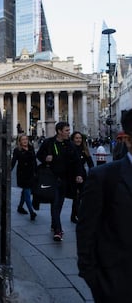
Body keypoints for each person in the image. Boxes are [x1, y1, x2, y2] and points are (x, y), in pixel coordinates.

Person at [77, 108, 132, 302]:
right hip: (118, 285)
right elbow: (86, 228)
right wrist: (95, 280)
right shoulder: (104, 177)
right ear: (127, 140)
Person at [36, 122, 83, 241]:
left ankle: (54, 223)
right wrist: (45, 158)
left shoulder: (70, 145)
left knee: (58, 204)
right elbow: (39, 155)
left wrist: (78, 174)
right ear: (59, 131)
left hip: (65, 179)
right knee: (55, 204)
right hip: (51, 179)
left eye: (68, 130)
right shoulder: (48, 142)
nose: (69, 132)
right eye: (66, 130)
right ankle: (58, 230)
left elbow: (77, 161)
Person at [68, 131, 94, 223]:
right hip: (72, 175)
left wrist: (93, 172)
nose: (78, 140)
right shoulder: (70, 149)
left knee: (82, 196)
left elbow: (90, 162)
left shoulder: (84, 149)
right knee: (76, 196)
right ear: (73, 139)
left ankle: (76, 214)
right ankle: (75, 215)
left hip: (82, 175)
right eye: (76, 138)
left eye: (80, 138)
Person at [11, 134, 37, 220]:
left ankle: (20, 207)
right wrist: (9, 171)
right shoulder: (17, 150)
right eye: (23, 140)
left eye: (26, 139)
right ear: (19, 141)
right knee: (27, 192)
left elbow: (34, 161)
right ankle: (31, 212)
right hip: (23, 174)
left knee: (25, 192)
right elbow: (13, 162)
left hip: (31, 173)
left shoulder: (31, 147)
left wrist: (37, 172)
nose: (25, 141)